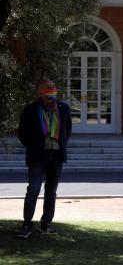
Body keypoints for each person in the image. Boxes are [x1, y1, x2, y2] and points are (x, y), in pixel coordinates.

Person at [16, 80, 72, 238]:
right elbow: (22, 134)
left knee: (51, 192)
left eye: (53, 94)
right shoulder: (30, 110)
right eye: (48, 95)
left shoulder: (63, 109)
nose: (52, 98)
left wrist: (59, 146)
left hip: (56, 156)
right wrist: (34, 146)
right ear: (40, 94)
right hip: (38, 157)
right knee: (33, 190)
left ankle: (46, 223)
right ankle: (27, 224)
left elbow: (66, 132)